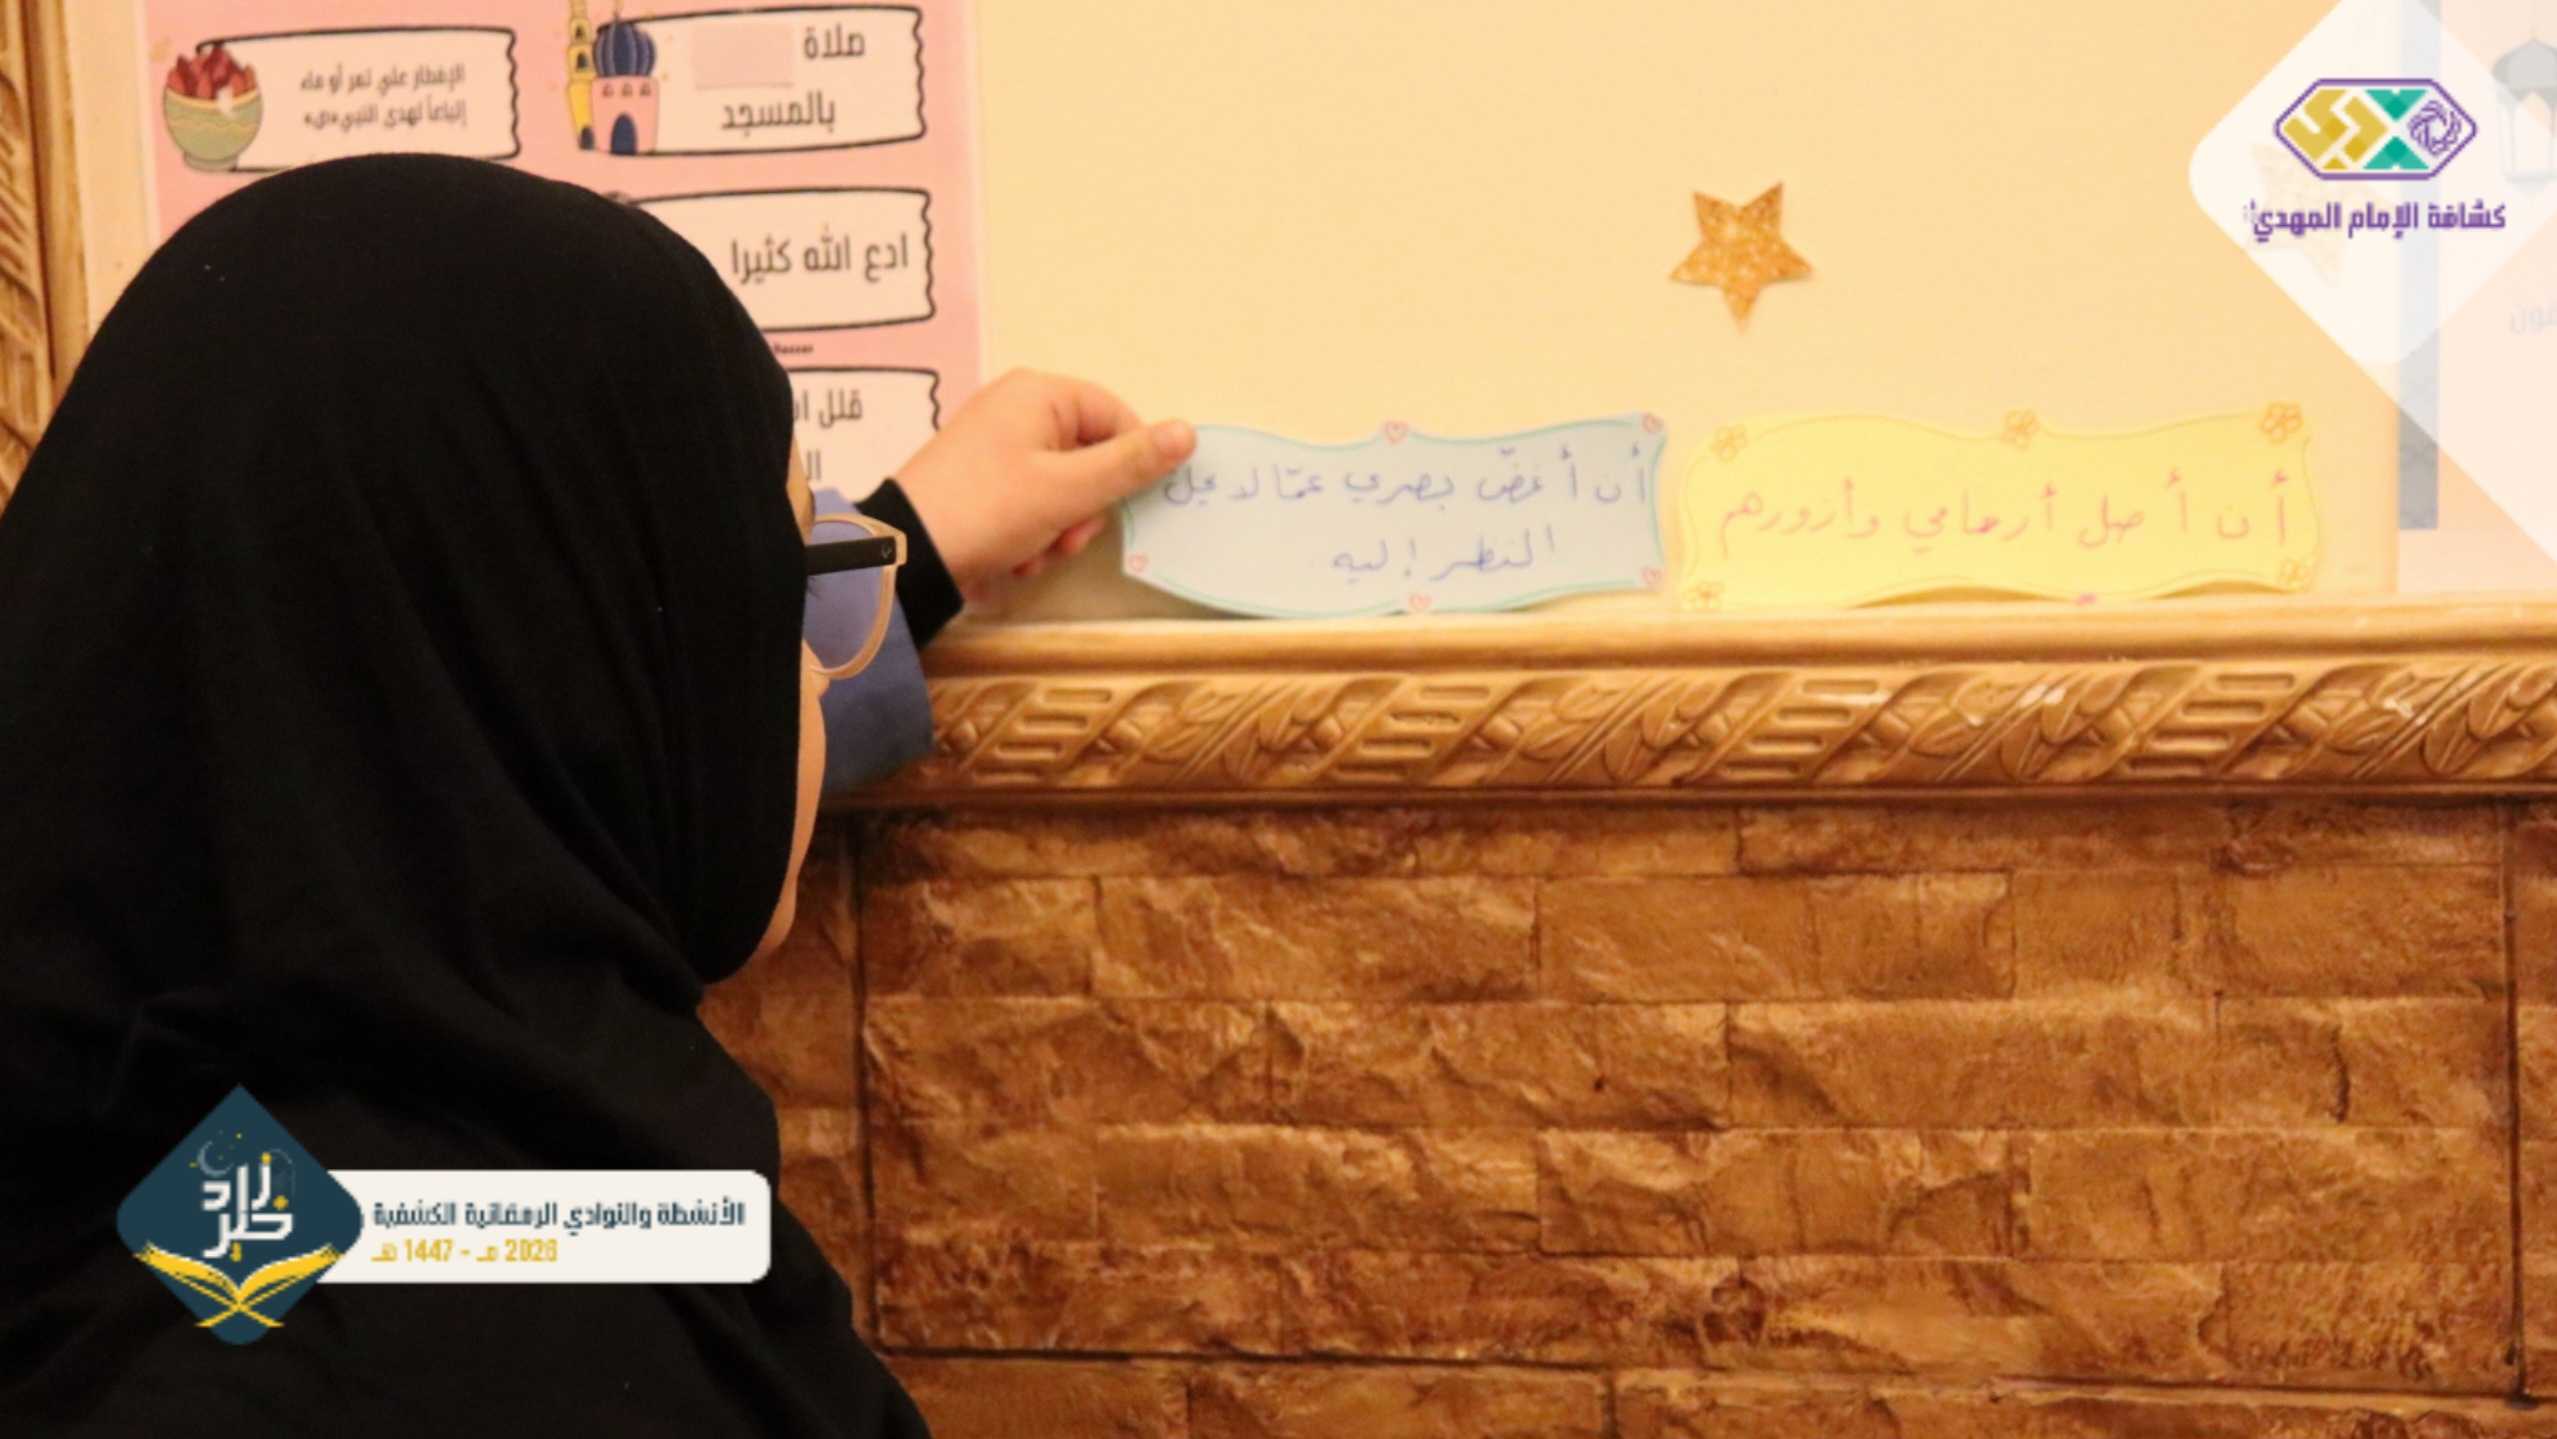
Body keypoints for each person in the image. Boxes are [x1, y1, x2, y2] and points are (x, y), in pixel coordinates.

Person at [0, 153, 1192, 1434]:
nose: (804, 668)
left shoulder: (188, 1192)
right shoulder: (525, 1356)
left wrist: (897, 556)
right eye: (781, 600)